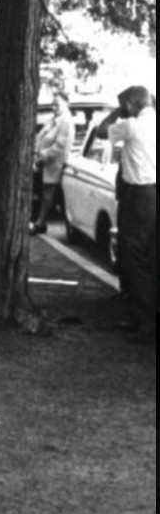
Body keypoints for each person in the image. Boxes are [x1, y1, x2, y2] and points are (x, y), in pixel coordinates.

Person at [96, 85, 157, 340]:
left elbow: (100, 131)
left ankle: (145, 321)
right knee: (149, 254)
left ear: (131, 104)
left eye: (124, 105)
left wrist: (115, 113)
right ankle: (142, 314)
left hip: (139, 195)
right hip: (152, 193)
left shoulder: (132, 125)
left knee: (134, 255)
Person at [31, 91, 75, 233]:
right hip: (43, 161)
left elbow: (60, 147)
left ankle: (41, 222)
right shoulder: (52, 119)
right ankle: (37, 220)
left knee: (48, 195)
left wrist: (41, 157)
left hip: (55, 163)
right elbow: (41, 137)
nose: (54, 107)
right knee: (41, 193)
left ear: (66, 104)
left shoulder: (66, 122)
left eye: (57, 104)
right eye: (52, 104)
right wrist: (36, 153)